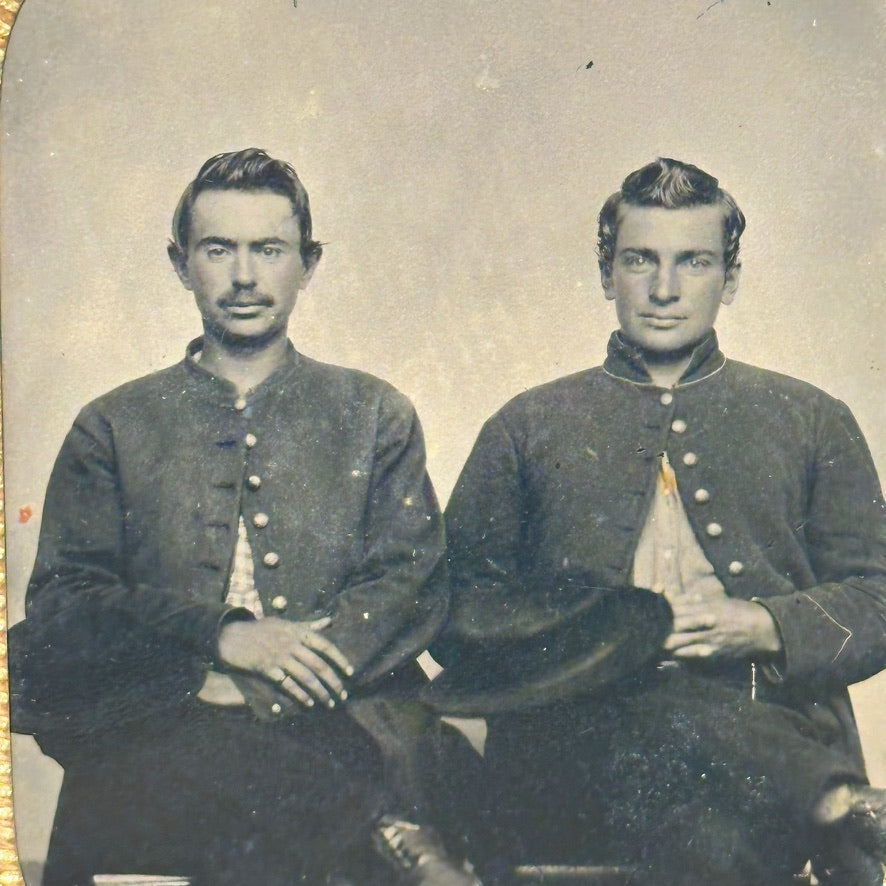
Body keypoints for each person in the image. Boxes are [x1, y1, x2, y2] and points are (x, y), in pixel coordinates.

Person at [12, 148, 478, 885]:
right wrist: (224, 638)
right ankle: (390, 834)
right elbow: (66, 604)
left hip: (340, 709)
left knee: (399, 757)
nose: (244, 276)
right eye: (218, 249)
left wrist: (282, 673)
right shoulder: (113, 424)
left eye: (269, 249)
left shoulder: (373, 412)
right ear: (180, 263)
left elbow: (409, 578)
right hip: (168, 712)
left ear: (308, 262)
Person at [429, 158, 886, 885]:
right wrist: (603, 638)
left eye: (694, 261)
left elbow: (879, 598)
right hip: (571, 745)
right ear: (606, 271)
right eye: (641, 260)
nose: (665, 290)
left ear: (730, 279)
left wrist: (763, 624)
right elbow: (454, 612)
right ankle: (829, 795)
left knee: (713, 845)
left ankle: (807, 789)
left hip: (748, 736)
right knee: (649, 706)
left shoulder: (812, 419)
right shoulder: (527, 424)